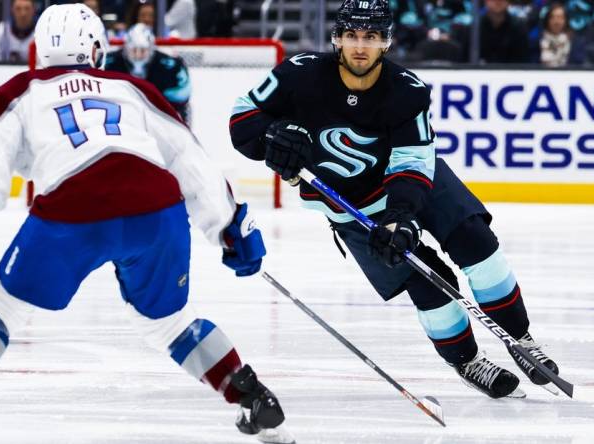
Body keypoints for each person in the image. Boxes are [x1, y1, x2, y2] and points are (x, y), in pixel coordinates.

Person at [0, 4, 293, 444]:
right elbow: (190, 158)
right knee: (170, 322)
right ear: (95, 49)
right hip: (156, 208)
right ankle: (250, 395)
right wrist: (230, 226)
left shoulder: (22, 90)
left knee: (1, 302)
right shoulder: (133, 88)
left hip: (75, 208)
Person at [229, 0, 560, 399]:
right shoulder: (300, 74)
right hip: (349, 207)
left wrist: (402, 217)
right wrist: (271, 138)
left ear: (386, 42)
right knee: (427, 284)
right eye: (351, 35)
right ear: (337, 38)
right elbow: (243, 118)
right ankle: (467, 360)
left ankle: (520, 338)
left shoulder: (407, 91)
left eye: (370, 37)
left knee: (476, 242)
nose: (360, 47)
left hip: (415, 184)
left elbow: (413, 160)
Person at [105, 23, 192, 124]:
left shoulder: (170, 67)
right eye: (134, 50)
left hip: (161, 119)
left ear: (151, 49)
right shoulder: (109, 63)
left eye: (142, 50)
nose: (138, 55)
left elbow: (180, 100)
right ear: (126, 49)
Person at [540, 2, 572, 66]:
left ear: (566, 20)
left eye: (560, 17)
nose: (556, 21)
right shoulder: (537, 40)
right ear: (547, 20)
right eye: (552, 17)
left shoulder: (575, 42)